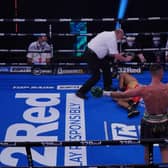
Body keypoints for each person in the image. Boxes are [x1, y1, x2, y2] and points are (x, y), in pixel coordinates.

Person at [104, 64, 168, 164]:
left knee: (148, 147)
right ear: (161, 73)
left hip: (149, 123)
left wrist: (104, 93)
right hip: (164, 122)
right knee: (165, 148)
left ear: (151, 74)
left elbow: (122, 95)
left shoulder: (144, 90)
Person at [76, 29, 133, 99]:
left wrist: (118, 55)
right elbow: (115, 55)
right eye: (121, 36)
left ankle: (107, 87)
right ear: (118, 34)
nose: (121, 38)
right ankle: (81, 91)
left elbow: (110, 53)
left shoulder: (108, 34)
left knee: (106, 66)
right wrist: (126, 59)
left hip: (95, 55)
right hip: (91, 55)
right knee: (96, 76)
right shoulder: (112, 38)